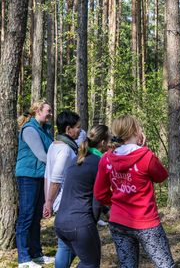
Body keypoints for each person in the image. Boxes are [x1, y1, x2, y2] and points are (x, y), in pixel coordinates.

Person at [94, 115, 175, 268]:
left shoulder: (106, 158)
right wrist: (144, 148)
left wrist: (116, 204)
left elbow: (100, 193)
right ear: (135, 131)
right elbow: (161, 176)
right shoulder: (146, 156)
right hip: (146, 222)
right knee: (165, 265)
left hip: (119, 222)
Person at [54, 125, 110, 268]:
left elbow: (83, 190)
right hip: (80, 224)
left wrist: (105, 211)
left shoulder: (79, 159)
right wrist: (92, 221)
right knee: (90, 263)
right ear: (103, 143)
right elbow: (97, 197)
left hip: (61, 221)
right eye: (108, 141)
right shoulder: (98, 163)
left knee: (65, 257)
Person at [15, 100, 55, 268]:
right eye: (48, 110)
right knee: (26, 216)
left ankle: (36, 254)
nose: (51, 114)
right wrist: (60, 166)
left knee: (36, 216)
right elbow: (42, 155)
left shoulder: (45, 130)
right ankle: (23, 259)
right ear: (38, 111)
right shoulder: (30, 129)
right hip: (28, 176)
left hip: (40, 176)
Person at [43, 110, 82, 268]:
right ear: (68, 129)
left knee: (65, 246)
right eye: (77, 127)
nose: (80, 130)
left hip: (62, 203)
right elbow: (55, 180)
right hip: (67, 203)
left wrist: (48, 201)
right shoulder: (66, 150)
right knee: (73, 245)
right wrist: (49, 202)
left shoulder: (54, 145)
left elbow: (48, 175)